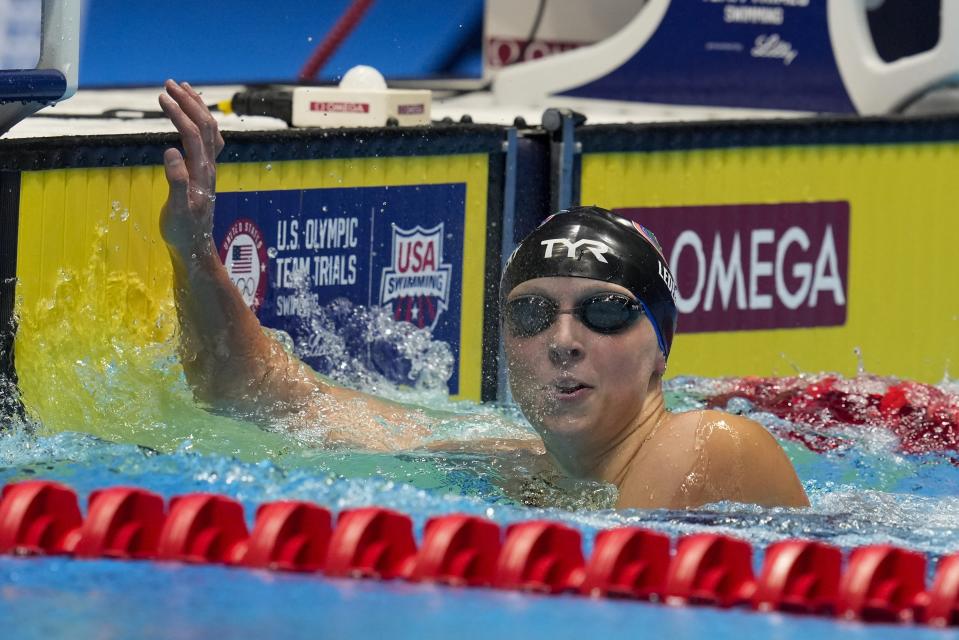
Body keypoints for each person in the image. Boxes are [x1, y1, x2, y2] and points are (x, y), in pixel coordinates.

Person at [158, 79, 809, 509]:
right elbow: (260, 395)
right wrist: (193, 250)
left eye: (604, 311)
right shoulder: (521, 467)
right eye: (531, 313)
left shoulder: (710, 443)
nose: (562, 341)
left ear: (661, 348)